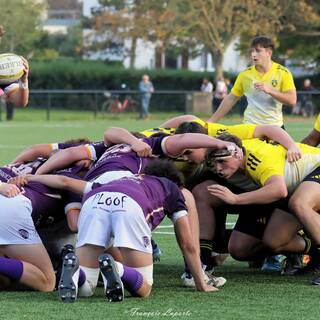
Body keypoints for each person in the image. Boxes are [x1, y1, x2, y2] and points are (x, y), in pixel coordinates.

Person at [21, 159, 217, 303]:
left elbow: (66, 182)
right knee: (145, 287)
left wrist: (30, 178)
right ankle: (119, 269)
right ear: (176, 183)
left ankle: (77, 273)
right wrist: (201, 283)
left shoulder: (124, 179)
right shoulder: (172, 189)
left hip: (94, 201)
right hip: (130, 207)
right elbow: (187, 243)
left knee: (87, 288)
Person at [206, 133, 320, 284]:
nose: (218, 168)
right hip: (294, 187)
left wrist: (236, 199)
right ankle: (313, 251)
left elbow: (279, 190)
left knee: (300, 203)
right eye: (214, 164)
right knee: (273, 241)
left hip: (311, 173)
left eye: (222, 161)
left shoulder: (257, 159)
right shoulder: (235, 149)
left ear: (238, 154)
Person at [207, 36, 297, 127]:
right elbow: (231, 98)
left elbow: (292, 100)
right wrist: (211, 122)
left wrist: (270, 91)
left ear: (268, 53)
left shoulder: (283, 73)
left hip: (275, 127)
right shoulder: (245, 75)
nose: (253, 54)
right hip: (250, 127)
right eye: (252, 51)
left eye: (258, 51)